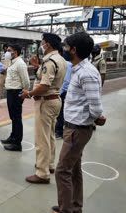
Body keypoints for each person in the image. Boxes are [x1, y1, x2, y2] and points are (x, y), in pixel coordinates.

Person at [51, 32, 106, 213]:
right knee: (73, 169)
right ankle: (75, 206)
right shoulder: (78, 69)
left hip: (77, 130)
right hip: (74, 128)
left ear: (73, 50)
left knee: (62, 171)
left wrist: (97, 116)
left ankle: (66, 209)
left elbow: (96, 107)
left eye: (66, 47)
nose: (64, 49)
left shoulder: (87, 73)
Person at [20, 33, 67, 184]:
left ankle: (42, 173)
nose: (41, 46)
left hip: (45, 102)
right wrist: (37, 66)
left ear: (48, 44)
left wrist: (29, 94)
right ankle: (50, 164)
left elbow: (45, 85)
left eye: (42, 43)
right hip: (55, 101)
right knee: (50, 135)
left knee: (42, 139)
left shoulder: (49, 61)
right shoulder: (60, 59)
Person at [0, 44, 30, 151]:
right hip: (10, 93)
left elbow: (26, 81)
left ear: (15, 52)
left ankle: (17, 143)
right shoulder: (12, 63)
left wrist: (23, 94)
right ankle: (13, 137)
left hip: (16, 93)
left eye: (9, 50)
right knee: (13, 117)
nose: (7, 52)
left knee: (17, 118)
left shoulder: (20, 64)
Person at [55, 58, 72, 139]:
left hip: (64, 91)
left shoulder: (67, 64)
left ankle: (59, 131)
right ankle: (59, 128)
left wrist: (59, 92)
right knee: (60, 111)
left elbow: (66, 81)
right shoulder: (61, 63)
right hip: (61, 90)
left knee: (60, 111)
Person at [0, 44, 10, 108]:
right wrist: (1, 69)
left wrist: (7, 70)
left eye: (7, 48)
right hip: (1, 74)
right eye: (5, 48)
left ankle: (9, 101)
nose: (6, 49)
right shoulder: (0, 56)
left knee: (9, 88)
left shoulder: (11, 57)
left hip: (8, 75)